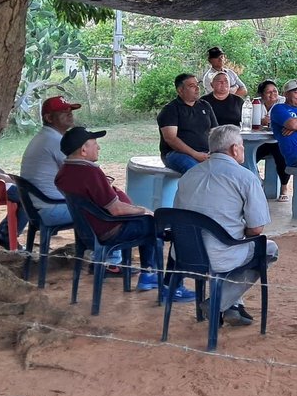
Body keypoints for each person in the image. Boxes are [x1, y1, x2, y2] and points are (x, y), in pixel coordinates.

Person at [54, 126, 194, 300]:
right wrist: (143, 210)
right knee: (155, 222)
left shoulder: (64, 172)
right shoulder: (90, 172)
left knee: (147, 221)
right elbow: (116, 209)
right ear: (83, 150)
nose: (98, 147)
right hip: (109, 230)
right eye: (95, 144)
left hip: (87, 233)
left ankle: (148, 273)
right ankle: (159, 280)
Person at [174, 125, 279, 326]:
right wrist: (240, 234)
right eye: (241, 145)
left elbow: (178, 213)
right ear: (234, 149)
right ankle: (218, 302)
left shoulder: (188, 175)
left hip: (185, 253)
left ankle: (233, 306)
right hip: (221, 256)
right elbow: (256, 229)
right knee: (268, 249)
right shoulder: (246, 177)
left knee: (235, 246)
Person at [0, 95, 79, 247]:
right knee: (100, 210)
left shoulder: (46, 136)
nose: (70, 113)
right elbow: (78, 174)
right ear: (49, 118)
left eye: (70, 110)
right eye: (63, 112)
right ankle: (101, 256)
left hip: (36, 206)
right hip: (50, 208)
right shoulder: (55, 141)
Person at [158, 73, 218, 175]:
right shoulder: (170, 109)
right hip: (176, 154)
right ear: (180, 90)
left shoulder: (205, 105)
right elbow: (171, 139)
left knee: (229, 169)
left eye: (197, 85)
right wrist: (195, 154)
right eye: (192, 86)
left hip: (206, 153)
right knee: (197, 172)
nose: (197, 88)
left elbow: (216, 131)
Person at [255, 80, 291, 202]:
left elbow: (288, 121)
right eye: (268, 92)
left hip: (277, 140)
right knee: (249, 157)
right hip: (259, 141)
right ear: (261, 94)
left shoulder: (283, 102)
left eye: (274, 91)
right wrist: (261, 122)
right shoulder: (255, 103)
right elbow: (251, 122)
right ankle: (257, 180)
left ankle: (284, 187)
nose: (273, 94)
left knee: (282, 157)